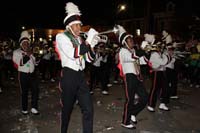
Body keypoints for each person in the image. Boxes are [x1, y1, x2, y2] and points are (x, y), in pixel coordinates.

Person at [55, 2, 99, 133]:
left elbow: (89, 59)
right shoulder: (61, 37)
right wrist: (88, 41)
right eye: (77, 25)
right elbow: (73, 54)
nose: (80, 27)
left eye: (80, 25)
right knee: (67, 110)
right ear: (69, 26)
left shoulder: (80, 40)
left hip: (80, 76)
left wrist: (92, 46)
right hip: (69, 76)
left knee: (88, 109)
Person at [115, 25, 148, 129]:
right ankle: (125, 121)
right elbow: (133, 57)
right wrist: (142, 49)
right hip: (129, 77)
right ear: (125, 42)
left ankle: (132, 113)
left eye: (132, 40)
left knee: (144, 98)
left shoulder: (134, 51)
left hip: (137, 77)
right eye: (130, 41)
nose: (132, 42)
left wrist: (147, 52)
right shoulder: (123, 51)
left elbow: (143, 61)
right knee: (130, 100)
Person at [12, 30, 39, 115]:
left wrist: (37, 58)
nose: (26, 44)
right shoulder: (16, 52)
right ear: (21, 44)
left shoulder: (31, 52)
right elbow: (19, 63)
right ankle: (24, 109)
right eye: (24, 43)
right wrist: (28, 55)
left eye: (27, 43)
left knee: (35, 90)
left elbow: (35, 63)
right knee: (24, 92)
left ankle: (34, 107)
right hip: (23, 75)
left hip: (32, 74)